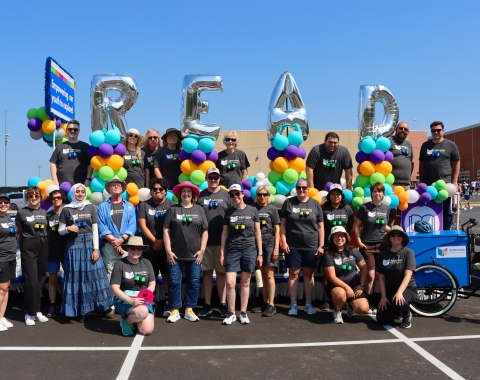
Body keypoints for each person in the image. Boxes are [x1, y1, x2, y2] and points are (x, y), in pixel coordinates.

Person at [58, 184, 113, 322]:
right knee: (77, 278)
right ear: (72, 193)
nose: (80, 194)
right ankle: (81, 310)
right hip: (73, 247)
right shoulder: (66, 209)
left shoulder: (91, 207)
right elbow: (60, 230)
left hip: (89, 244)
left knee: (96, 275)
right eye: (77, 191)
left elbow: (95, 229)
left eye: (82, 192)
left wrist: (96, 249)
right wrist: (68, 229)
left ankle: (102, 306)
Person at [163, 182, 208, 323]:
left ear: (193, 195)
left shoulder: (200, 210)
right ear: (179, 194)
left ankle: (189, 309)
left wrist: (202, 250)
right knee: (174, 282)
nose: (186, 194)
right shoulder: (173, 210)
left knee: (193, 282)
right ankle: (175, 309)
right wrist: (168, 251)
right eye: (184, 191)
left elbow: (205, 231)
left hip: (194, 255)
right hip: (175, 255)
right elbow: (166, 231)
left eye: (189, 191)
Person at [280, 178, 324, 316]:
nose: (301, 190)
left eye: (304, 188)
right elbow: (282, 225)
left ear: (308, 189)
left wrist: (321, 245)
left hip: (311, 245)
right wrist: (284, 242)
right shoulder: (288, 202)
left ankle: (308, 304)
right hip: (293, 245)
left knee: (308, 274)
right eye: (299, 187)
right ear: (296, 188)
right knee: (293, 274)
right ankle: (293, 304)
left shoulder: (315, 204)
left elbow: (321, 226)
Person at [220, 184, 262, 325]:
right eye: (232, 195)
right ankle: (231, 313)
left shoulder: (253, 210)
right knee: (230, 282)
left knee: (245, 282)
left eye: (237, 194)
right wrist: (222, 252)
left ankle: (243, 312)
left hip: (249, 249)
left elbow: (257, 233)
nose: (235, 197)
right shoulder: (228, 212)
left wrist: (260, 253)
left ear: (243, 194)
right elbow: (225, 233)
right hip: (232, 249)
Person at [98, 176, 137, 317]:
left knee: (127, 273)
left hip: (126, 245)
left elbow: (132, 225)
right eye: (113, 185)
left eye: (118, 185)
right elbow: (102, 225)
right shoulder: (102, 207)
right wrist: (114, 241)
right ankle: (111, 304)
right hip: (110, 246)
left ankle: (127, 302)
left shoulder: (129, 206)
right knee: (110, 273)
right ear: (108, 188)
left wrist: (121, 240)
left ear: (122, 188)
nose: (115, 187)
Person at [137, 177, 175, 317]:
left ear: (165, 191)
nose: (157, 191)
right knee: (149, 277)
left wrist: (164, 243)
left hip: (167, 249)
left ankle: (166, 302)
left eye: (160, 189)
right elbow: (142, 225)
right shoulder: (144, 205)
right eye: (155, 189)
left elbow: (174, 227)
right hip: (149, 248)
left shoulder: (172, 205)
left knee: (166, 276)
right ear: (151, 191)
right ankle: (149, 303)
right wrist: (155, 241)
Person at [196, 168, 231, 318]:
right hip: (205, 242)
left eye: (216, 178)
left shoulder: (227, 195)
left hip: (223, 242)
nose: (213, 180)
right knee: (207, 273)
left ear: (219, 179)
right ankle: (208, 304)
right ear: (206, 178)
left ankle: (222, 303)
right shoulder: (200, 195)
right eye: (210, 177)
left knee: (222, 274)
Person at [353, 182, 391, 314]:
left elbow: (384, 226)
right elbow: (356, 225)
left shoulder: (387, 208)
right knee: (370, 274)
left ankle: (375, 303)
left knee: (379, 274)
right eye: (375, 191)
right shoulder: (364, 207)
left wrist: (394, 231)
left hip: (382, 245)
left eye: (379, 191)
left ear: (383, 194)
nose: (377, 193)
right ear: (372, 193)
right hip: (367, 245)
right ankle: (366, 301)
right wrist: (358, 241)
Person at [15, 186, 49, 326]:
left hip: (43, 245)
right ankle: (29, 313)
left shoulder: (44, 212)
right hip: (29, 246)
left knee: (41, 278)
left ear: (40, 197)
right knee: (31, 280)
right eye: (31, 196)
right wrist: (24, 247)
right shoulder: (21, 212)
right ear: (27, 198)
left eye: (36, 196)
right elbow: (19, 233)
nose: (34, 198)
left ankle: (37, 311)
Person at [419, 121, 460, 230]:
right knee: (429, 210)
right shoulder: (425, 145)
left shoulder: (451, 145)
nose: (436, 132)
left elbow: (456, 162)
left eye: (438, 130)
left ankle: (446, 231)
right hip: (429, 186)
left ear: (443, 130)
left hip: (445, 185)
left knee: (446, 211)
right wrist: (421, 182)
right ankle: (430, 232)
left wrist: (455, 181)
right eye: (433, 130)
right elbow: (421, 164)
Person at [111, 236, 156, 336]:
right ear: (127, 248)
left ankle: (134, 319)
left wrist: (145, 296)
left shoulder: (147, 263)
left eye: (138, 248)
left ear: (142, 249)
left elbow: (152, 283)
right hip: (125, 299)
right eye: (132, 248)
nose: (136, 250)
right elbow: (114, 288)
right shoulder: (120, 264)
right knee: (143, 312)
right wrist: (131, 300)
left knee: (147, 330)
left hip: (143, 298)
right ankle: (126, 321)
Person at [323, 226, 369, 324]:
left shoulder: (353, 250)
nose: (339, 238)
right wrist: (347, 288)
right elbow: (331, 277)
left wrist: (361, 285)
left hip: (354, 285)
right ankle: (337, 311)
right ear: (331, 238)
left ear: (346, 237)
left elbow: (364, 267)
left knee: (363, 309)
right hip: (336, 286)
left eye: (342, 235)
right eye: (336, 236)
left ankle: (351, 306)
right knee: (340, 294)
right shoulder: (328, 254)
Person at [320, 183, 355, 311]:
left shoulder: (347, 208)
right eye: (333, 194)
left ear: (342, 196)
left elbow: (351, 223)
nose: (336, 196)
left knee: (343, 271)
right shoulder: (324, 208)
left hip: (342, 244)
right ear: (329, 195)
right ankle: (326, 300)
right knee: (327, 274)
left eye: (338, 194)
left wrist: (344, 237)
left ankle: (345, 298)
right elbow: (321, 226)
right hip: (328, 244)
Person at [377, 226, 417, 329]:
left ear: (403, 238)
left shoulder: (408, 252)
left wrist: (399, 292)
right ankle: (396, 312)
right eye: (393, 235)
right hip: (390, 290)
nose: (396, 237)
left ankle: (406, 314)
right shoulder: (384, 253)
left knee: (398, 301)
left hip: (407, 289)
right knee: (382, 320)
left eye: (399, 235)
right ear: (389, 237)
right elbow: (381, 277)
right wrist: (383, 297)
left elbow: (408, 275)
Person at [252, 185, 280, 317]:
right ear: (256, 196)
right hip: (255, 243)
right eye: (260, 194)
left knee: (269, 275)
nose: (262, 197)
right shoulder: (252, 208)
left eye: (265, 194)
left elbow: (277, 229)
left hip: (269, 242)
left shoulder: (273, 209)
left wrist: (276, 248)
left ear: (269, 196)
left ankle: (271, 304)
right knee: (260, 274)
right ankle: (264, 302)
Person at [50, 119, 92, 186]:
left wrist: (88, 179)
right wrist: (54, 179)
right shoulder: (60, 147)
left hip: (80, 187)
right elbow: (53, 163)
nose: (73, 131)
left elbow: (90, 164)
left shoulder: (85, 146)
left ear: (79, 131)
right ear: (66, 130)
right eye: (70, 129)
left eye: (75, 129)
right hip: (62, 185)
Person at [46, 190, 67, 318]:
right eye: (54, 198)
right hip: (52, 251)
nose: (56, 200)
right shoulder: (47, 215)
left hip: (66, 251)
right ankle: (52, 305)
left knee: (69, 279)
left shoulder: (68, 213)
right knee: (52, 280)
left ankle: (67, 304)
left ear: (62, 199)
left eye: (58, 197)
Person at [389, 122, 414, 224]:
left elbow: (411, 162)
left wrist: (409, 176)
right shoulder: (389, 141)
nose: (403, 131)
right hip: (392, 183)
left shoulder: (408, 144)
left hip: (406, 184)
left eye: (406, 129)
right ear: (396, 128)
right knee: (392, 211)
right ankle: (389, 234)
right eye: (401, 128)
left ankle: (400, 234)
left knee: (404, 211)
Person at [0, 194, 17, 331]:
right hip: (2, 259)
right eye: (0, 202)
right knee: (1, 289)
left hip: (11, 257)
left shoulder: (7, 218)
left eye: (6, 202)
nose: (3, 204)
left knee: (6, 288)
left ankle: (1, 316)